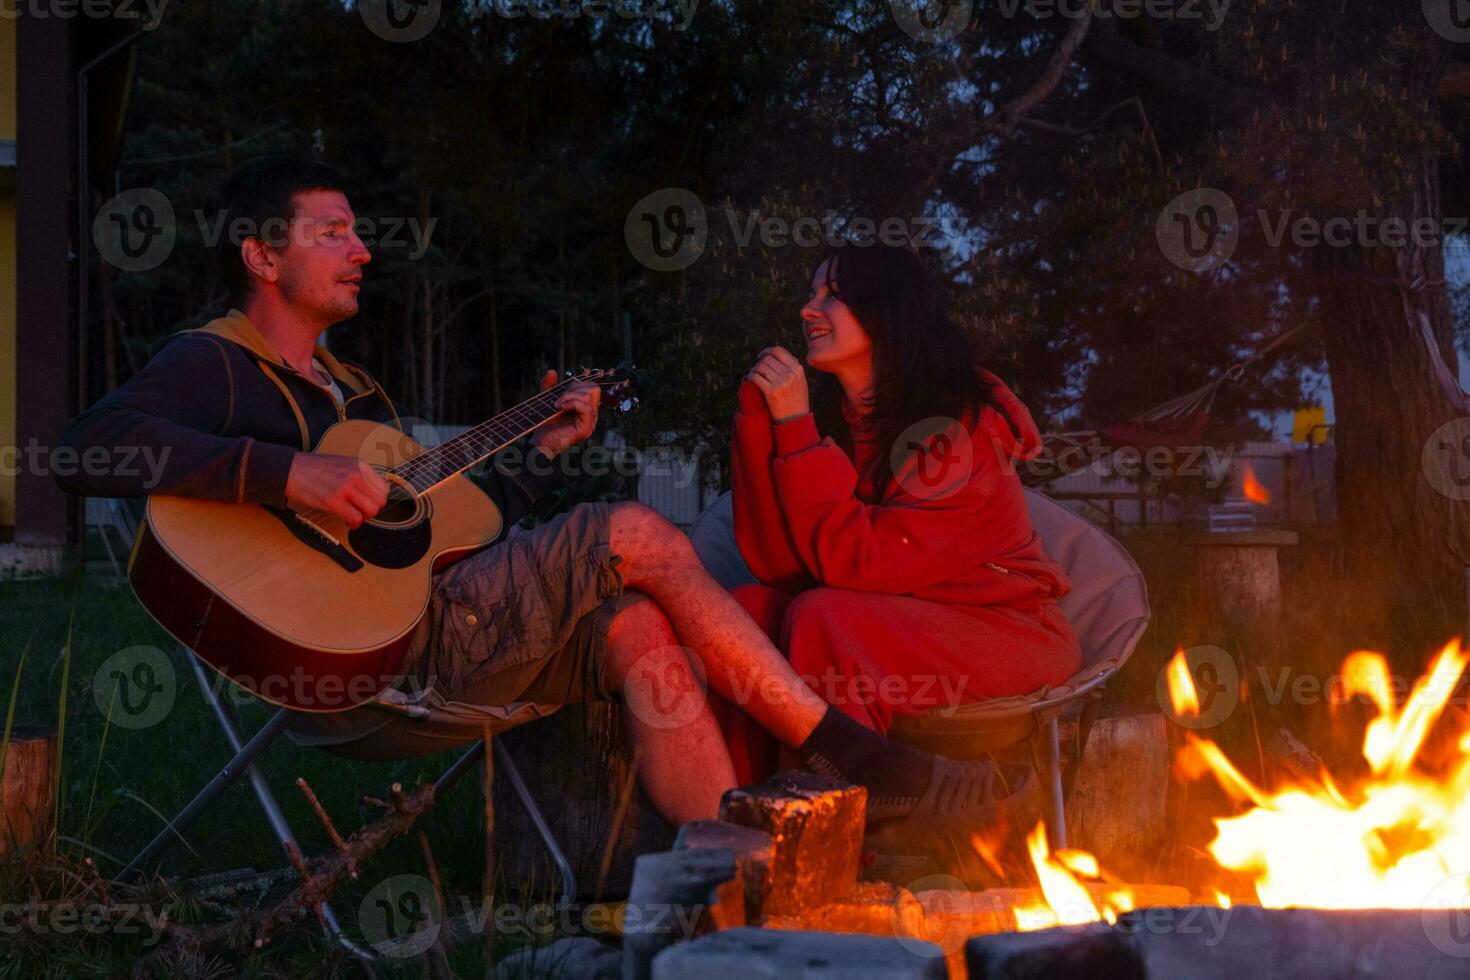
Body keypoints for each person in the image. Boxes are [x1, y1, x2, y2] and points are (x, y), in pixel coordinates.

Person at [55, 158, 1018, 829]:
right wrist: (288, 472)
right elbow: (88, 448)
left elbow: (439, 540)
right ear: (262, 258)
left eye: (359, 230)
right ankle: (857, 756)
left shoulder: (357, 398)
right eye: (333, 232)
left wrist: (540, 450)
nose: (362, 248)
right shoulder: (218, 365)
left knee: (639, 624)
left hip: (441, 634)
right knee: (631, 530)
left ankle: (729, 889)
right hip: (354, 667)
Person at [719, 242, 1083, 785]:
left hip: (1007, 634)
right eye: (812, 292)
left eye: (833, 296)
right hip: (911, 620)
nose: (808, 309)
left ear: (885, 313)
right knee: (744, 614)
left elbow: (859, 565)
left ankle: (833, 828)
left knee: (824, 618)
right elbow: (782, 566)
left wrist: (795, 429)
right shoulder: (852, 423)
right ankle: (742, 815)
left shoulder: (955, 435)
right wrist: (757, 417)